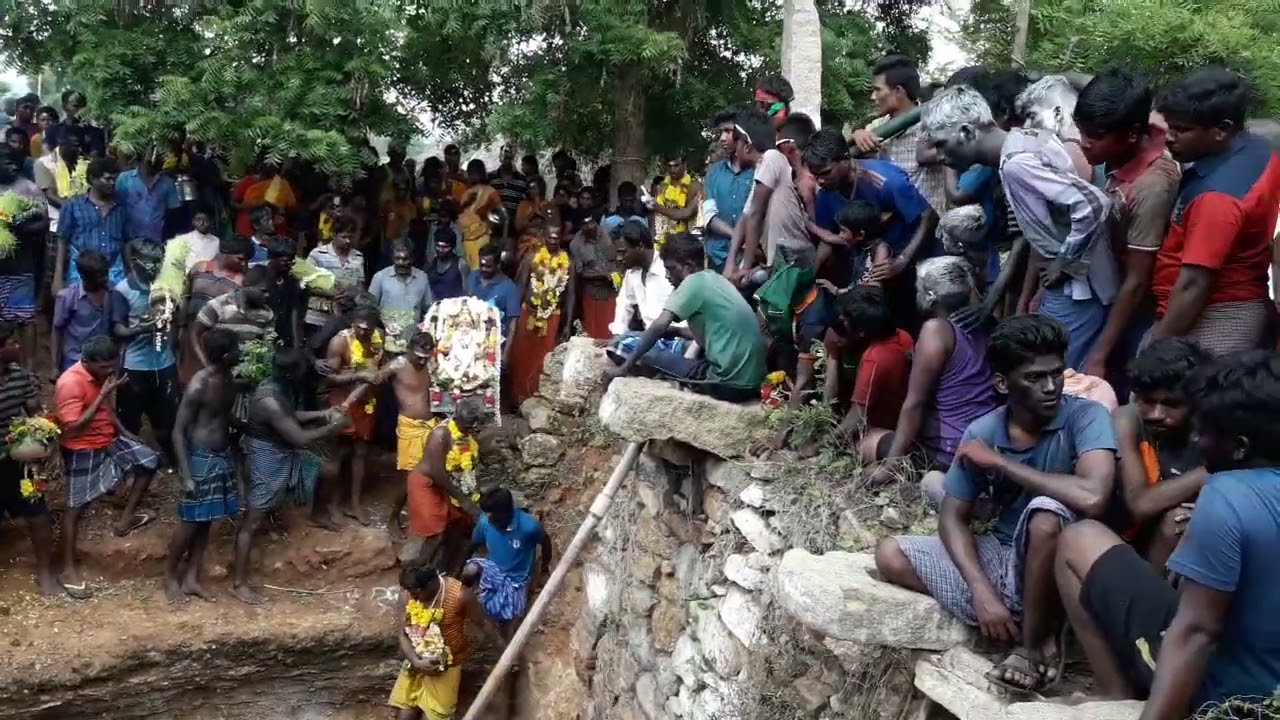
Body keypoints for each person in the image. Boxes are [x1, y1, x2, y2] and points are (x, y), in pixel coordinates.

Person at [874, 314, 1116, 694]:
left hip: (1067, 565)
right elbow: (953, 518)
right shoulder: (984, 430)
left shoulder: (1088, 416)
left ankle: (1031, 645)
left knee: (1045, 514)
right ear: (1003, 384)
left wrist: (1003, 464)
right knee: (891, 554)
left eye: (1056, 373)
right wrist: (982, 592)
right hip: (1006, 556)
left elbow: (1094, 496)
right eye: (1034, 378)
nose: (1051, 387)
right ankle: (1020, 619)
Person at [1054, 351, 1280, 718]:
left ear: (1239, 447)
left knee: (1079, 538)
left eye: (1204, 432)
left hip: (1227, 694)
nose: (1199, 442)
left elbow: (1196, 633)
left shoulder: (1228, 495)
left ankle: (1116, 693)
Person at [920, 85, 1117, 370]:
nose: (939, 155)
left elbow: (1094, 203)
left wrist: (1063, 260)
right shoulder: (1026, 139)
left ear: (965, 132)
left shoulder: (1017, 163)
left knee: (1060, 378)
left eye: (941, 144)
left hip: (1079, 287)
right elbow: (1045, 223)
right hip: (1078, 281)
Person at [1146, 68, 1280, 355]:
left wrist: (1160, 344)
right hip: (1242, 298)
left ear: (1222, 129)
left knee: (1165, 390)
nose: (1169, 137)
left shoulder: (1216, 199)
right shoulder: (1258, 149)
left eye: (1181, 130)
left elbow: (1194, 284)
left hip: (1214, 313)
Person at [1072, 68, 1181, 382]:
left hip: (1139, 309)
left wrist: (1099, 354)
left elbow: (1137, 283)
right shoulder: (1116, 146)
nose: (1083, 143)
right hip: (1112, 289)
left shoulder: (1152, 187)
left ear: (1133, 133)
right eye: (1081, 131)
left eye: (1094, 136)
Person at [867, 256, 999, 492]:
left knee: (869, 441)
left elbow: (915, 403)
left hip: (951, 451)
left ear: (929, 297)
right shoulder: (986, 321)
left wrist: (890, 467)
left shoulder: (936, 330)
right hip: (989, 445)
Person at [236, 349, 349, 604]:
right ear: (290, 372)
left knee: (327, 471)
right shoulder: (269, 400)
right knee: (252, 521)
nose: (306, 374)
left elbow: (290, 417)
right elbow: (297, 436)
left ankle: (318, 515)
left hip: (281, 448)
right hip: (267, 455)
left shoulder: (280, 388)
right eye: (302, 370)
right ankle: (239, 583)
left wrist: (322, 414)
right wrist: (331, 427)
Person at [55, 335, 162, 598]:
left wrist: (126, 432)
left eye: (113, 365)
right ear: (86, 361)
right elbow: (72, 427)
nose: (110, 371)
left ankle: (124, 521)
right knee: (74, 509)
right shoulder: (70, 383)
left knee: (148, 460)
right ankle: (67, 569)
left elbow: (106, 410)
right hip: (82, 448)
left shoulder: (101, 376)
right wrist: (104, 393)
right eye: (104, 367)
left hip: (107, 438)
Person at [604, 232, 767, 404]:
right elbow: (715, 332)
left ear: (688, 267)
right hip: (752, 383)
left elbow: (658, 326)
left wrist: (624, 367)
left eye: (671, 269)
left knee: (652, 356)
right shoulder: (716, 279)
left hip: (727, 384)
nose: (667, 276)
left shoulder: (693, 282)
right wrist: (677, 331)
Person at [1109, 338, 1209, 571]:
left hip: (1180, 545)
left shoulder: (1212, 427)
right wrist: (1210, 472)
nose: (1156, 413)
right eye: (1148, 401)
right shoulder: (1127, 419)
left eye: (1171, 404)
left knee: (1178, 520)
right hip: (1125, 539)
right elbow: (1140, 505)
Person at [805, 128, 937, 303]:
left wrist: (903, 260)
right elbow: (827, 239)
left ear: (845, 158)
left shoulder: (886, 181)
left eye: (826, 172)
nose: (820, 181)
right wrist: (810, 278)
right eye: (815, 176)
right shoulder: (826, 194)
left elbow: (928, 216)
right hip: (868, 271)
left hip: (915, 265)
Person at [165, 327, 241, 604]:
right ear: (226, 355)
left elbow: (222, 415)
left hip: (220, 455)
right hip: (201, 457)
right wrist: (186, 475)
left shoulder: (227, 376)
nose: (241, 353)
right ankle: (170, 577)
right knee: (189, 523)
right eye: (236, 349)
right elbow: (178, 431)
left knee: (206, 520)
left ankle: (192, 578)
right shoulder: (200, 384)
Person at [806, 286, 913, 462]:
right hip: (895, 417)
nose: (837, 331)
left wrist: (818, 446)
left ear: (861, 332)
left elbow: (855, 420)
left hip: (883, 426)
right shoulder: (903, 336)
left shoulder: (875, 358)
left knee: (857, 448)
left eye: (844, 322)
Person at [388, 563, 501, 720]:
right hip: (415, 659)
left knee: (436, 716)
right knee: (405, 715)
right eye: (409, 592)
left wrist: (504, 650)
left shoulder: (459, 596)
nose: (412, 597)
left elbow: (483, 623)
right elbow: (402, 634)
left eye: (416, 594)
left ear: (431, 584)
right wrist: (416, 661)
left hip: (449, 664)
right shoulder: (408, 595)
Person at [0, 321, 63, 597]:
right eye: (11, 343)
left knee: (38, 515)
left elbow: (35, 413)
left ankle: (46, 575)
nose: (18, 346)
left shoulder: (21, 377)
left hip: (17, 462)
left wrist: (46, 441)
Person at [851, 54, 949, 215]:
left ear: (898, 91)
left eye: (878, 90)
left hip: (933, 227)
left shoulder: (935, 123)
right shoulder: (877, 127)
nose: (873, 97)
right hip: (895, 230)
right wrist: (857, 134)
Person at [110, 238, 178, 465]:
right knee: (129, 422)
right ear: (133, 261)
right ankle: (127, 465)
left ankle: (172, 461)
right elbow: (117, 329)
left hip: (165, 363)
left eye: (158, 262)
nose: (155, 267)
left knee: (167, 421)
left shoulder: (165, 286)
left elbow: (177, 317)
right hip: (135, 367)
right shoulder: (122, 291)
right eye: (149, 262)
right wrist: (142, 328)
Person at [404, 396, 487, 571]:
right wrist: (462, 498)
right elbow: (436, 472)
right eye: (470, 424)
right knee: (436, 533)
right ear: (456, 418)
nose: (476, 428)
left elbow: (468, 467)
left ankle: (444, 568)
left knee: (458, 523)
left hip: (448, 483)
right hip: (428, 482)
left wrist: (471, 490)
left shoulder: (466, 435)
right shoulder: (440, 434)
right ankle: (419, 572)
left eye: (478, 423)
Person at [462, 487, 553, 630]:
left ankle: (507, 646)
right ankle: (466, 599)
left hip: (516, 579)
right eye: (487, 514)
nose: (488, 518)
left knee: (514, 615)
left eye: (492, 515)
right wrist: (461, 568)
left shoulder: (529, 526)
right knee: (470, 570)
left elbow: (546, 542)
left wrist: (544, 571)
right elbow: (473, 544)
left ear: (506, 512)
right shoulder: (485, 522)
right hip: (492, 569)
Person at [509, 227, 575, 403]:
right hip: (528, 314)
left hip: (552, 316)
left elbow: (570, 294)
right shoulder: (531, 258)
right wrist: (513, 318)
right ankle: (517, 397)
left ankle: (536, 397)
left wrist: (567, 324)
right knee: (522, 354)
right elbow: (520, 286)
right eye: (549, 237)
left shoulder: (567, 262)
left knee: (544, 356)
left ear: (560, 239)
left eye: (556, 238)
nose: (553, 241)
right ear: (543, 238)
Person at [385, 331, 439, 539]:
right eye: (418, 356)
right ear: (409, 349)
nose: (422, 361)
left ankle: (421, 517)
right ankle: (393, 518)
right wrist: (348, 403)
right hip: (409, 427)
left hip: (430, 424)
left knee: (430, 474)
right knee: (410, 477)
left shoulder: (430, 367)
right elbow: (372, 380)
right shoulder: (397, 365)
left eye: (427, 357)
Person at [178, 235, 252, 384]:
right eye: (240, 259)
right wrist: (180, 326)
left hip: (216, 341)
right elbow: (185, 298)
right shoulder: (199, 268)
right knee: (187, 378)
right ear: (225, 253)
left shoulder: (240, 280)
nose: (244, 264)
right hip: (190, 332)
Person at [0, 146, 47, 360]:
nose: (13, 166)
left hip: (21, 264)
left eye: (15, 163)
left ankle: (29, 368)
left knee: (25, 318)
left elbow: (43, 223)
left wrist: (19, 228)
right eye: (7, 162)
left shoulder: (29, 189)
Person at [55, 157, 129, 289]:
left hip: (114, 274)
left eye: (114, 179)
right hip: (80, 275)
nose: (112, 183)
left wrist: (130, 274)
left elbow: (126, 242)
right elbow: (62, 242)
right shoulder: (73, 206)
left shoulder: (121, 207)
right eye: (107, 179)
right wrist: (58, 278)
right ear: (93, 179)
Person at [701, 108, 756, 273]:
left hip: (751, 258)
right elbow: (709, 215)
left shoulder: (757, 171)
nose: (722, 138)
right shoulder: (714, 172)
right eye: (721, 132)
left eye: (728, 131)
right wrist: (736, 236)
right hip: (718, 256)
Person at [51, 250, 111, 377]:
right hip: (75, 361)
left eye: (105, 274)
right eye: (99, 276)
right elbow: (57, 331)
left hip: (104, 361)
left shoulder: (112, 293)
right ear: (84, 276)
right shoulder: (67, 297)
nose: (105, 278)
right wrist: (54, 367)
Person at [370, 239, 433, 353]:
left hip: (412, 342)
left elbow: (428, 308)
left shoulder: (422, 278)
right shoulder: (380, 277)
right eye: (397, 258)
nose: (401, 262)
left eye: (405, 259)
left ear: (412, 258)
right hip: (385, 341)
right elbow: (370, 309)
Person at [304, 217, 366, 332]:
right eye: (344, 237)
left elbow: (360, 285)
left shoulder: (358, 257)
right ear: (333, 235)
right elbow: (306, 282)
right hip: (318, 316)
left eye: (351, 237)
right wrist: (330, 292)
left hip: (346, 315)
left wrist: (352, 292)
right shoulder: (317, 254)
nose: (348, 241)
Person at [569, 208, 620, 340]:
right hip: (593, 295)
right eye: (586, 224)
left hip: (613, 291)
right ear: (581, 227)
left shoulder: (607, 232)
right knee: (594, 335)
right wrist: (602, 275)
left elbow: (619, 254)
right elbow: (580, 273)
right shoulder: (576, 244)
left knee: (613, 330)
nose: (591, 226)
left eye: (592, 222)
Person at [466, 243, 520, 367]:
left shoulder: (509, 287)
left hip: (493, 344)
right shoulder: (472, 277)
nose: (484, 269)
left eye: (488, 266)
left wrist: (506, 354)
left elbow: (513, 325)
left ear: (498, 265)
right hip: (470, 340)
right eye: (482, 265)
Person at [116, 148, 183, 243]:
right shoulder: (124, 179)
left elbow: (173, 214)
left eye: (160, 158)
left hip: (155, 241)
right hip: (128, 240)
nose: (155, 161)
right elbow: (117, 208)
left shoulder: (167, 182)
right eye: (151, 158)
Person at [232, 161, 295, 239]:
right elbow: (233, 203)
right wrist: (257, 205)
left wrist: (277, 212)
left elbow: (291, 207)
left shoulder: (281, 184)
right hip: (248, 226)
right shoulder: (248, 182)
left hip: (276, 229)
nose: (273, 170)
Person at [457, 159, 501, 269]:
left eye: (476, 172)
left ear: (482, 173)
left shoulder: (490, 191)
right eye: (470, 173)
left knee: (481, 269)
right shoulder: (466, 193)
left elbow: (499, 213)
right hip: (467, 238)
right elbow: (461, 214)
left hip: (482, 237)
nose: (473, 176)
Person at [651, 155, 701, 246]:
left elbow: (686, 214)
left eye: (676, 165)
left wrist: (658, 207)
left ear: (684, 165)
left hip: (686, 243)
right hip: (663, 242)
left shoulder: (693, 187)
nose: (672, 169)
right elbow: (657, 217)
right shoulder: (661, 187)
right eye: (669, 166)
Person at [43, 90, 106, 158]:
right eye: (76, 106)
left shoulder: (95, 132)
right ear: (64, 107)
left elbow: (96, 158)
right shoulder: (53, 131)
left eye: (83, 106)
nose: (81, 110)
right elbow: (48, 157)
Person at [169, 204, 222, 273]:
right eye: (198, 220)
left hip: (209, 278)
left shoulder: (215, 240)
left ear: (211, 221)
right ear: (193, 221)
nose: (202, 223)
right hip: (189, 278)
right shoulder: (184, 239)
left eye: (206, 220)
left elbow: (217, 261)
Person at [425, 225, 470, 302]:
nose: (441, 250)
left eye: (445, 247)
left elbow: (466, 292)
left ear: (453, 247)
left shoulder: (461, 264)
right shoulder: (432, 262)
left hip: (454, 308)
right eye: (438, 246)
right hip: (434, 307)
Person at [488, 144, 529, 226]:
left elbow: (525, 204)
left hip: (514, 225)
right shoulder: (490, 178)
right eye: (504, 157)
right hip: (493, 224)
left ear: (514, 158)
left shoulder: (523, 180)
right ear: (499, 157)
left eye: (509, 157)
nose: (507, 160)